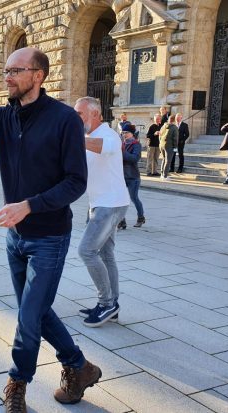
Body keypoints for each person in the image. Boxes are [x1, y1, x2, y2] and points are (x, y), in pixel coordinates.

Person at [0, 47, 101, 411]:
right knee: (37, 312)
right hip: (15, 238)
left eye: (15, 70)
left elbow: (76, 182)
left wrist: (29, 205)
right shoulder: (2, 115)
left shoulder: (64, 120)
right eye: (5, 70)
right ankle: (80, 367)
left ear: (38, 76)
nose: (7, 77)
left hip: (49, 236)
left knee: (29, 316)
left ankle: (17, 384)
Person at [74, 96, 129, 328]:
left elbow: (104, 149)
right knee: (106, 255)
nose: (76, 119)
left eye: (80, 114)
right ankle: (112, 305)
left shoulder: (109, 135)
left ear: (95, 114)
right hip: (98, 203)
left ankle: (106, 303)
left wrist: (76, 138)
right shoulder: (87, 136)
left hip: (111, 204)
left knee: (86, 251)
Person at [117, 124, 145, 229]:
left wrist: (123, 152)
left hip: (133, 176)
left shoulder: (136, 144)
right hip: (121, 176)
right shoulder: (121, 144)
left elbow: (135, 158)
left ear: (132, 133)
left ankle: (141, 217)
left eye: (126, 133)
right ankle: (122, 221)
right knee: (120, 199)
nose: (124, 135)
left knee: (134, 198)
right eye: (123, 133)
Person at [159, 116, 178, 181]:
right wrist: (175, 147)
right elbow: (175, 138)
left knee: (164, 159)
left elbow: (160, 135)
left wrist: (160, 143)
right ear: (174, 120)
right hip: (169, 145)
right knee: (168, 161)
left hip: (162, 144)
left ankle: (162, 174)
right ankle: (165, 176)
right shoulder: (174, 127)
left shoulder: (163, 126)